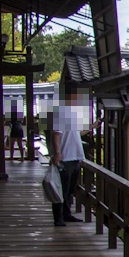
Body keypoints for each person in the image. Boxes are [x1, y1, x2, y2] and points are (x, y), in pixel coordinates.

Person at [48, 93, 86, 226]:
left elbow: (75, 134)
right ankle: (58, 218)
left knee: (70, 189)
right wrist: (58, 153)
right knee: (61, 189)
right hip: (65, 158)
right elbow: (56, 135)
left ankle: (67, 213)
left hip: (74, 157)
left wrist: (92, 127)